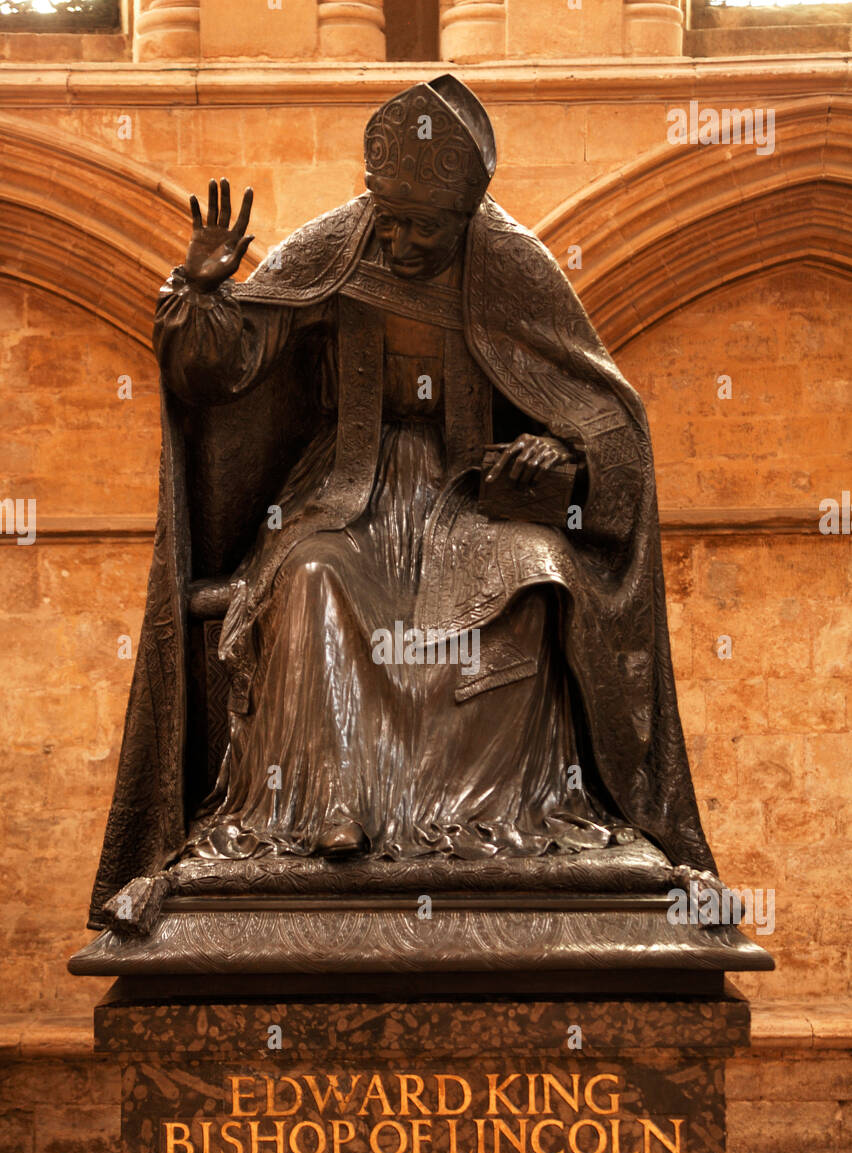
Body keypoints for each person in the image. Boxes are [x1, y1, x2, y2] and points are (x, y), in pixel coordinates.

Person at [87, 76, 714, 932]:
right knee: (309, 576)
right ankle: (319, 808)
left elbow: (603, 412)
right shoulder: (334, 246)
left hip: (468, 502)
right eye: (394, 218)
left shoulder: (512, 264)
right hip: (348, 491)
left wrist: (558, 454)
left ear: (467, 218)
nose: (406, 239)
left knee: (538, 579)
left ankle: (499, 817)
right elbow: (223, 370)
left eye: (428, 227)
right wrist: (197, 294)